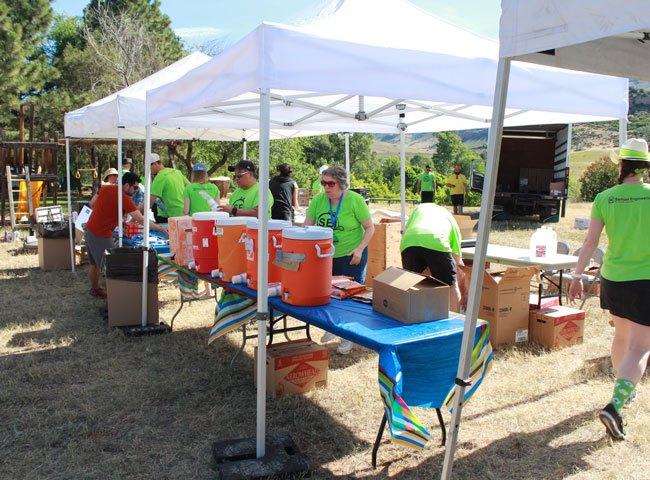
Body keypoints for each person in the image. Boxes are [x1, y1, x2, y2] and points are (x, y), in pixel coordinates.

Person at [569, 138, 650, 441]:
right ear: (645, 166)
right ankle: (616, 406)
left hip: (613, 278)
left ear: (621, 165)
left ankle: (624, 391)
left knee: (623, 336)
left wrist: (577, 274)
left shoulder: (605, 197)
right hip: (645, 279)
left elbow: (590, 242)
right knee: (641, 346)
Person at [304, 166, 375, 354]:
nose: (326, 187)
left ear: (342, 184)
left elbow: (369, 227)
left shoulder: (354, 200)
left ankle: (348, 336)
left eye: (330, 183)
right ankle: (334, 326)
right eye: (323, 183)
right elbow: (306, 227)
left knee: (350, 297)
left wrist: (359, 249)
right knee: (329, 294)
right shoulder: (319, 200)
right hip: (325, 256)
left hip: (351, 254)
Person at [84, 172, 168, 297]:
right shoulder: (124, 199)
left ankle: (95, 289)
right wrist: (161, 230)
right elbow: (141, 220)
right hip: (101, 235)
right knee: (109, 269)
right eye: (135, 187)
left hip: (89, 230)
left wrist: (108, 214)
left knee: (94, 264)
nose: (136, 190)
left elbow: (91, 203)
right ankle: (112, 301)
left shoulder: (105, 188)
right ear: (126, 185)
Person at [400, 203, 466, 312]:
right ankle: (456, 321)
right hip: (436, 241)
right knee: (451, 286)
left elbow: (405, 231)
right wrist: (464, 295)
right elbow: (458, 264)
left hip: (408, 242)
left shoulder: (419, 208)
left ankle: (411, 317)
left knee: (411, 284)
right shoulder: (451, 220)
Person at [143, 153, 189, 220]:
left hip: (175, 215)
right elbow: (190, 186)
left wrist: (135, 216)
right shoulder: (176, 171)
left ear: (155, 164)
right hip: (187, 211)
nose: (148, 170)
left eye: (148, 167)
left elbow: (149, 203)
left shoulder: (159, 178)